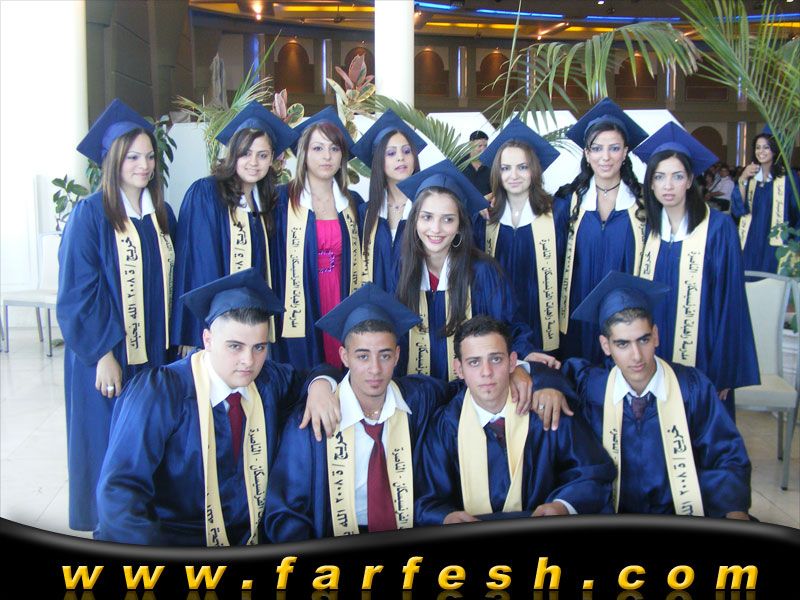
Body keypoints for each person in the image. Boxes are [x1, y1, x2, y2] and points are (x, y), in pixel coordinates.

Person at [95, 269, 337, 545]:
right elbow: (120, 492)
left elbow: (314, 374)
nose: (248, 361)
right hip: (176, 541)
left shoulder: (267, 382)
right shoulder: (162, 392)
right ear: (207, 340)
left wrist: (321, 384)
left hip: (251, 538)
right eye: (235, 346)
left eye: (259, 347)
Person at [58, 98, 177, 532]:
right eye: (133, 157)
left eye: (149, 157)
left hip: (155, 352)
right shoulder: (91, 215)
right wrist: (103, 354)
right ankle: (107, 526)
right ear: (112, 161)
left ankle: (143, 519)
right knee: (107, 439)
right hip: (108, 354)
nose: (144, 165)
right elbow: (79, 291)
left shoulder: (162, 215)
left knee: (149, 436)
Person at [264, 284, 447, 541]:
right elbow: (285, 514)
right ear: (344, 356)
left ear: (397, 356)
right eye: (363, 356)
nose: (375, 369)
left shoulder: (418, 399)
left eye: (384, 356)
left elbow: (467, 392)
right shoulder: (310, 422)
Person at [564, 271, 752, 518]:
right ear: (605, 346)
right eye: (622, 344)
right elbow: (553, 378)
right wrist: (548, 385)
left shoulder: (691, 387)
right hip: (612, 514)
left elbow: (725, 455)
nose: (636, 356)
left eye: (643, 340)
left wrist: (733, 508)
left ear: (656, 336)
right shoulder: (591, 386)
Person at [415, 315, 615, 525]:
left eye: (496, 359)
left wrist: (563, 505)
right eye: (474, 362)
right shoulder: (445, 426)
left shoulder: (546, 411)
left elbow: (592, 472)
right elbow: (426, 499)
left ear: (512, 362)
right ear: (459, 369)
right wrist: (445, 517)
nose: (486, 372)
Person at [633, 122, 759, 419]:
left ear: (690, 180)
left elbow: (731, 302)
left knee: (702, 427)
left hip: (705, 352)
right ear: (651, 183)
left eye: (677, 176)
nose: (668, 185)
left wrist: (724, 370)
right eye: (659, 177)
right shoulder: (649, 231)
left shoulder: (718, 229)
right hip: (657, 351)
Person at [394, 160, 541, 396]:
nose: (436, 229)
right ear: (414, 221)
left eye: (448, 219)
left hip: (474, 395)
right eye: (427, 217)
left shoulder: (483, 272)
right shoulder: (401, 270)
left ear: (460, 226)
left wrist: (522, 364)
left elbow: (511, 327)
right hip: (416, 395)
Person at [171, 101, 298, 351]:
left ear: (272, 159)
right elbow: (198, 267)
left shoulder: (266, 204)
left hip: (252, 327)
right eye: (246, 153)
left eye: (262, 155)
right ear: (233, 153)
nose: (254, 162)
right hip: (215, 330)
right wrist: (199, 332)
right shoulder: (206, 194)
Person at [555, 98, 649, 364]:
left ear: (625, 152)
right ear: (587, 154)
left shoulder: (644, 205)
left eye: (614, 148)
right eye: (597, 148)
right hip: (577, 311)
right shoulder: (567, 202)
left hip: (627, 314)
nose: (605, 157)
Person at [271, 106, 365, 372]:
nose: (327, 156)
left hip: (342, 293)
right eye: (318, 148)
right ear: (304, 153)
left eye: (334, 149)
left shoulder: (353, 204)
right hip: (301, 297)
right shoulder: (282, 201)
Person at [472, 117, 568, 356]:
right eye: (505, 168)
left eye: (522, 167)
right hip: (499, 318)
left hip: (544, 319)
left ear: (534, 169)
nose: (513, 175)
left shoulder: (558, 213)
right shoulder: (485, 218)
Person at [350, 109, 427, 276]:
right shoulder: (365, 214)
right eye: (391, 153)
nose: (401, 158)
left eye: (407, 151)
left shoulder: (428, 208)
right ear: (378, 161)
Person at [731, 127, 800, 274]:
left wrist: (794, 242)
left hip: (775, 240)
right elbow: (738, 209)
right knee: (749, 277)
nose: (761, 151)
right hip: (751, 237)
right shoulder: (751, 176)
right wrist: (742, 178)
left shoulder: (788, 177)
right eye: (758, 147)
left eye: (766, 147)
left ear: (774, 150)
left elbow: (796, 210)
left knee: (772, 278)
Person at [462, 130, 491, 196]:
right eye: (479, 146)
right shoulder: (459, 163)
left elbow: (495, 190)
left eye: (485, 146)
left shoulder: (490, 165)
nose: (483, 150)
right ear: (470, 144)